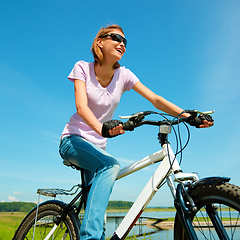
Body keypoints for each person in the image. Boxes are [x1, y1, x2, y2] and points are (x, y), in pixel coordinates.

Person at [59, 24, 213, 240]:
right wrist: (102, 129)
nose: (122, 43)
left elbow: (155, 99)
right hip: (73, 141)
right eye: (116, 38)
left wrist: (189, 116)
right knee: (110, 165)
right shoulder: (82, 68)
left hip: (97, 148)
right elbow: (81, 107)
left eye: (125, 41)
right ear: (100, 42)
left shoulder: (124, 75)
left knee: (98, 213)